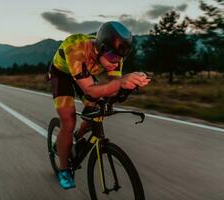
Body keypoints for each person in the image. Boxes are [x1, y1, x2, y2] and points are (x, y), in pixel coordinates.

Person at [49, 21, 150, 189]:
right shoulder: (76, 48)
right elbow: (91, 91)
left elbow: (112, 89)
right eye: (112, 57)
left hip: (85, 75)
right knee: (68, 121)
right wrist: (120, 83)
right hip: (62, 75)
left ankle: (72, 138)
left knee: (96, 112)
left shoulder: (114, 53)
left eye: (120, 58)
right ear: (101, 48)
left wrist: (129, 86)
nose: (116, 63)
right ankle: (64, 169)